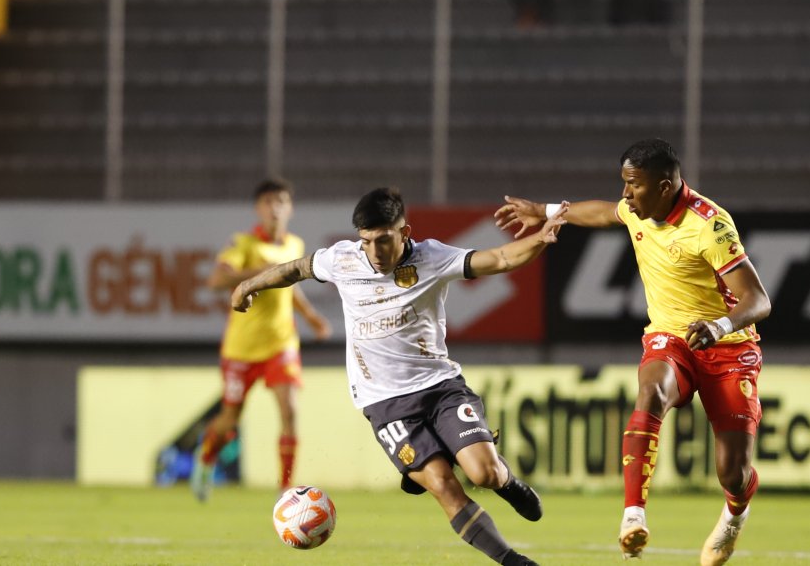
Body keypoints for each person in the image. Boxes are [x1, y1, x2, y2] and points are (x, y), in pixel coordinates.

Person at [231, 187, 566, 566]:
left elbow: (501, 258)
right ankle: (514, 562)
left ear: (404, 233)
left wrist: (541, 237)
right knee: (443, 486)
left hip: (440, 387)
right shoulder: (342, 259)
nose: (375, 251)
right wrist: (247, 285)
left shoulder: (433, 257)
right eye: (367, 241)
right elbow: (294, 269)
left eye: (384, 240)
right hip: (385, 404)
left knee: (483, 473)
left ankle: (506, 481)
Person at [494, 138, 772, 565]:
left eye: (633, 185)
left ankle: (735, 515)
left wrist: (718, 326)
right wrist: (547, 211)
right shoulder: (640, 208)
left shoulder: (711, 226)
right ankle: (633, 516)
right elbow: (605, 212)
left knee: (732, 473)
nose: (626, 194)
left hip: (727, 347)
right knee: (650, 391)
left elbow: (758, 300)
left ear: (665, 186)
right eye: (624, 183)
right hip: (671, 336)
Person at [191, 178, 332, 501]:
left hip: (281, 345)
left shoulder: (294, 245)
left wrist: (310, 317)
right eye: (268, 202)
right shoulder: (243, 244)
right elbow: (216, 280)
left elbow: (289, 285)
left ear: (290, 208)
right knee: (230, 419)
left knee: (290, 411)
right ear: (258, 209)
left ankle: (286, 490)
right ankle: (207, 457)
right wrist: (258, 271)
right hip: (241, 349)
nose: (275, 207)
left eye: (281, 201)